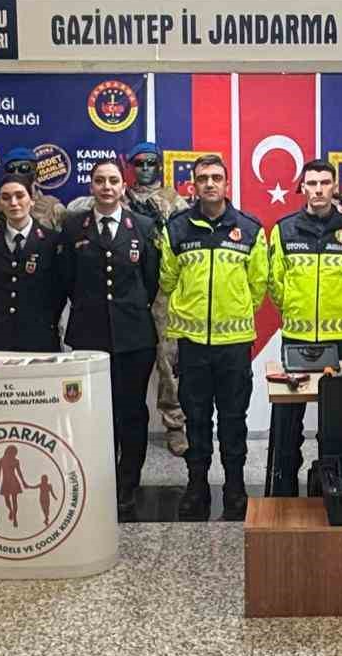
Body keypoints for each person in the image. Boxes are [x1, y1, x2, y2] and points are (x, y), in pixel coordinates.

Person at [159, 154, 269, 521]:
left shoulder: (250, 229)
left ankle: (235, 487)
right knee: (197, 419)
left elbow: (258, 285)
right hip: (192, 346)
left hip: (234, 346)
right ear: (193, 184)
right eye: (203, 177)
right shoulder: (176, 229)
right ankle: (197, 486)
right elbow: (167, 280)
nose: (209, 183)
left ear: (227, 184)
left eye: (216, 177)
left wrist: (233, 312)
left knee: (234, 419)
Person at [69, 142, 192, 457]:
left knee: (166, 360)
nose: (145, 169)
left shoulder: (172, 199)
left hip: (161, 289)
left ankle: (175, 426)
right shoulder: (118, 192)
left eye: (152, 163)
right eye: (139, 163)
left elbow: (182, 238)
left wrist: (161, 219)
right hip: (124, 293)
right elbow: (77, 209)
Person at [56, 159, 162, 521]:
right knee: (94, 414)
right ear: (91, 186)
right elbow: (65, 279)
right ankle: (98, 481)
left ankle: (127, 483)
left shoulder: (144, 226)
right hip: (89, 334)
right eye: (99, 180)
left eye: (113, 181)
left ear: (122, 186)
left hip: (134, 336)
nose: (106, 187)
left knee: (132, 412)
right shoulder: (73, 227)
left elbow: (150, 282)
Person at [265, 159, 342, 496]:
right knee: (288, 420)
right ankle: (285, 484)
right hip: (297, 337)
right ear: (302, 188)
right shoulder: (283, 229)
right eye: (311, 184)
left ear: (334, 186)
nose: (317, 190)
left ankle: (335, 485)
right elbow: (275, 280)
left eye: (324, 183)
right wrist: (293, 307)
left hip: (341, 339)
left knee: (339, 417)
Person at [0, 174, 64, 351]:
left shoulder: (51, 241)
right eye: (5, 198)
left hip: (38, 335)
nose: (13, 203)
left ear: (32, 200)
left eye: (20, 195)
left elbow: (59, 292)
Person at [3, 147, 67, 230]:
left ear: (35, 173)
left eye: (24, 168)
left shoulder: (54, 208)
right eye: (11, 169)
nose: (16, 174)